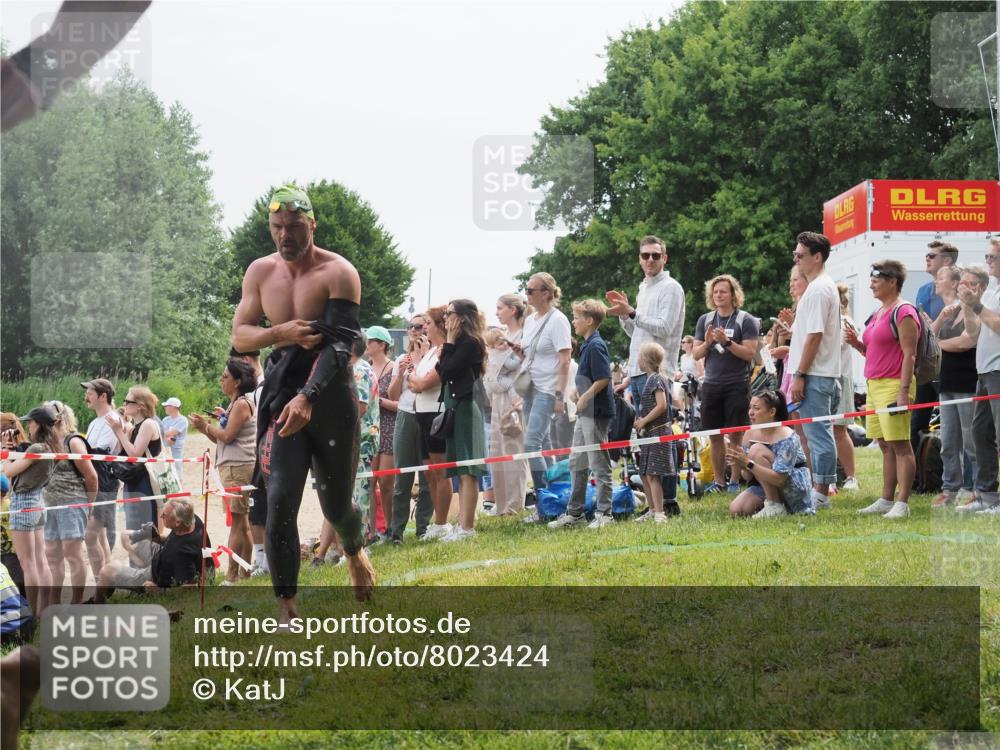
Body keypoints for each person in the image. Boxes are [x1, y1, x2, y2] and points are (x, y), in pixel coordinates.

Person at [231, 184, 374, 620]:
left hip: (330, 398)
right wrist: (282, 333)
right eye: (277, 227)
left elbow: (338, 346)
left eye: (294, 227)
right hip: (282, 396)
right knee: (279, 500)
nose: (285, 236)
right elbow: (241, 337)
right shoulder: (259, 272)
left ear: (312, 225)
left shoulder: (339, 273)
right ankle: (287, 607)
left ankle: (353, 549)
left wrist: (308, 396)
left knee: (336, 505)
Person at [846, 260, 919, 518]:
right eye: (871, 278)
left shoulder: (904, 312)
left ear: (893, 282)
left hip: (894, 385)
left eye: (877, 279)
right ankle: (886, 499)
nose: (871, 284)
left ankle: (903, 503)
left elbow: (909, 355)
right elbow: (877, 353)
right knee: (885, 445)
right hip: (874, 385)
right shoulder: (878, 313)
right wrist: (857, 344)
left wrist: (902, 391)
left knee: (900, 445)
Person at [548, 300, 616, 529]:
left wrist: (586, 396)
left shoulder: (596, 345)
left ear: (589, 321)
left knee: (598, 463)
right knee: (577, 462)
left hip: (595, 413)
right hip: (584, 413)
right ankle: (575, 514)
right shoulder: (587, 345)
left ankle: (605, 514)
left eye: (576, 318)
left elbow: (604, 378)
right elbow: (590, 376)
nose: (573, 322)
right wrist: (579, 391)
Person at [787, 232, 842, 511]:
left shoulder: (820, 289)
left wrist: (800, 374)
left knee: (818, 433)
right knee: (814, 433)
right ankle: (819, 487)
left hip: (815, 373)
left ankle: (821, 491)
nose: (796, 259)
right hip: (815, 372)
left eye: (800, 254)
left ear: (817, 257)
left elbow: (815, 335)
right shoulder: (819, 287)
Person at [189, 358, 257, 584]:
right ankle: (246, 571)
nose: (221, 380)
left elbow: (227, 437)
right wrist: (210, 427)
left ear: (237, 381)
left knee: (237, 522)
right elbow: (221, 440)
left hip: (238, 466)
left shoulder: (240, 404)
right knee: (242, 520)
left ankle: (232, 575)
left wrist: (205, 426)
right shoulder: (235, 404)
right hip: (234, 464)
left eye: (225, 377)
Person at [692, 274, 760, 494]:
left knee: (735, 435)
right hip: (712, 384)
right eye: (715, 291)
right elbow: (696, 353)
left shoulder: (745, 320)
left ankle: (734, 481)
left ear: (733, 295)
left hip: (736, 384)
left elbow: (750, 353)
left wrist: (727, 342)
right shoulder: (705, 320)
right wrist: (709, 342)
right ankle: (719, 481)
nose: (718, 295)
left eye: (723, 291)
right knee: (715, 435)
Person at [606, 235, 686, 409]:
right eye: (645, 255)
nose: (650, 259)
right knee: (645, 433)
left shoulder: (671, 287)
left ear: (664, 258)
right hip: (636, 371)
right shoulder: (643, 288)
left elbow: (664, 328)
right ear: (640, 259)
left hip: (657, 374)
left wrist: (632, 313)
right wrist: (624, 316)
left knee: (657, 432)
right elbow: (637, 333)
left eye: (655, 255)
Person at [516, 272, 572, 518]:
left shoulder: (558, 320)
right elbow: (532, 354)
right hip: (531, 388)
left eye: (531, 290)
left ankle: (542, 501)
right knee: (545, 443)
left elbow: (564, 359)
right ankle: (555, 497)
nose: (526, 294)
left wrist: (559, 396)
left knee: (531, 444)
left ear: (547, 293)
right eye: (526, 290)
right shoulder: (530, 320)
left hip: (548, 389)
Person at [436, 299, 488, 540]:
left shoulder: (470, 343)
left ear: (462, 317)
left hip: (467, 407)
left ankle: (467, 527)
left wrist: (447, 342)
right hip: (455, 407)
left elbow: (446, 371)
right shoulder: (458, 343)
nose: (445, 319)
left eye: (449, 314)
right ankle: (463, 524)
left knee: (469, 469)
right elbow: (441, 369)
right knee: (460, 469)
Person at [94, 498, 213, 603]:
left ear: (177, 522)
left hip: (155, 575)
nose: (161, 517)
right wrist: (157, 538)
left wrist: (158, 590)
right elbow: (176, 541)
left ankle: (96, 604)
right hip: (164, 557)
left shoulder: (180, 553)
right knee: (126, 536)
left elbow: (190, 587)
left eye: (165, 515)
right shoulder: (192, 519)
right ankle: (133, 573)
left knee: (107, 570)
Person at [930, 265, 980, 508]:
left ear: (954, 283)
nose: (936, 281)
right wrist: (940, 320)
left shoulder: (968, 309)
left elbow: (967, 342)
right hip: (946, 382)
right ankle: (950, 488)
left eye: (941, 277)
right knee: (949, 440)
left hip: (967, 381)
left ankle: (974, 488)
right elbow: (929, 339)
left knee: (971, 441)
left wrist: (939, 344)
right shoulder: (945, 311)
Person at [957, 238, 1000, 514]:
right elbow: (974, 333)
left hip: (998, 370)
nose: (988, 261)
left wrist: (977, 306)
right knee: (980, 432)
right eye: (987, 255)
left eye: (992, 256)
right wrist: (966, 304)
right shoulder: (993, 291)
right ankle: (986, 495)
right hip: (985, 370)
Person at [39, 402, 96, 605]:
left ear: (59, 418)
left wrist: (88, 507)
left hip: (72, 504)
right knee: (53, 556)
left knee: (73, 555)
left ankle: (77, 601)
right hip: (49, 505)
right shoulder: (45, 442)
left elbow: (91, 476)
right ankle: (54, 601)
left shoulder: (73, 441)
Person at [407, 306, 455, 539]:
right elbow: (413, 382)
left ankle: (443, 522)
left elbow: (423, 383)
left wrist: (415, 379)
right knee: (429, 474)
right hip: (421, 413)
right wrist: (415, 378)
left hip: (436, 413)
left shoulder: (444, 351)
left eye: (427, 322)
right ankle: (438, 521)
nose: (423, 327)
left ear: (439, 325)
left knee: (440, 471)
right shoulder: (429, 351)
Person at [386, 314, 434, 544]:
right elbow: (393, 396)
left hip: (427, 416)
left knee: (428, 477)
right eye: (412, 327)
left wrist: (421, 359)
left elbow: (428, 387)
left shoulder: (433, 356)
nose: (416, 331)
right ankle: (397, 532)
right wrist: (402, 373)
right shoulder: (400, 359)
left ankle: (423, 528)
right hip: (405, 416)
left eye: (420, 327)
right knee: (402, 477)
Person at [727, 391, 813, 518]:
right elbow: (747, 477)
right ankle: (773, 504)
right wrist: (741, 464)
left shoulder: (787, 436)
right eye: (750, 407)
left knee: (756, 449)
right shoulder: (750, 433)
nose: (750, 412)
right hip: (765, 483)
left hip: (792, 487)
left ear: (772, 412)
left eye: (756, 408)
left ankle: (775, 506)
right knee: (737, 510)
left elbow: (780, 479)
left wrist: (748, 463)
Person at [2, 408, 55, 616]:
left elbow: (7, 473)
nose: (28, 427)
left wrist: (6, 450)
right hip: (38, 500)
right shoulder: (49, 446)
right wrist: (15, 450)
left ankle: (33, 612)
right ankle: (45, 609)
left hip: (23, 502)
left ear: (39, 424)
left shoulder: (36, 446)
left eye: (31, 423)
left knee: (28, 563)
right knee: (41, 560)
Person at [912, 241, 960, 456]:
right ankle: (917, 477)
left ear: (947, 260)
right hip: (926, 366)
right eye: (927, 255)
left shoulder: (960, 289)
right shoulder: (923, 290)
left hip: (951, 367)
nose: (927, 258)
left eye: (932, 255)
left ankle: (952, 476)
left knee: (953, 425)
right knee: (917, 423)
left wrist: (935, 328)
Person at [487, 294, 530, 515]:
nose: (497, 312)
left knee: (513, 450)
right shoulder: (501, 336)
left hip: (514, 399)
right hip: (497, 398)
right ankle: (501, 502)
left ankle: (515, 503)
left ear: (513, 310)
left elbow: (523, 366)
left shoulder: (523, 335)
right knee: (497, 450)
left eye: (500, 307)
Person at [231, 346, 269, 578]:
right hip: (256, 455)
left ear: (246, 360)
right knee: (255, 513)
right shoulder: (256, 389)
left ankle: (266, 563)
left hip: (264, 455)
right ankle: (261, 561)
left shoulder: (265, 386)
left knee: (264, 511)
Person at [632, 342, 680, 522]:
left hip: (658, 433)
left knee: (652, 474)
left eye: (639, 356)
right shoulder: (652, 379)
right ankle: (652, 509)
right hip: (649, 433)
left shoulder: (655, 379)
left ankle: (659, 513)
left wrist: (644, 420)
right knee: (645, 472)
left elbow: (662, 406)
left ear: (645, 360)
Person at [79, 378, 121, 578]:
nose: (86, 396)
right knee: (100, 535)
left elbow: (100, 453)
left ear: (103, 396)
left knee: (93, 535)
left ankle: (102, 581)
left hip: (104, 480)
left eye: (90, 393)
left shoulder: (113, 419)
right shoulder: (94, 422)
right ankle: (105, 581)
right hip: (94, 479)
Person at [107, 385, 164, 534]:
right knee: (133, 530)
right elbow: (124, 454)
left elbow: (134, 455)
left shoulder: (148, 424)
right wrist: (122, 432)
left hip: (145, 483)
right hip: (135, 481)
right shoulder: (134, 426)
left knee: (144, 530)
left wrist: (118, 431)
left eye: (127, 401)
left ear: (140, 406)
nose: (124, 404)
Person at [366, 325, 397, 533]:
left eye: (370, 341)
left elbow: (400, 404)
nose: (366, 345)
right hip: (369, 430)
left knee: (386, 482)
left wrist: (378, 401)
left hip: (388, 427)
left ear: (382, 344)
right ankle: (372, 530)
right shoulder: (364, 367)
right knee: (369, 482)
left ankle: (390, 527)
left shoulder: (394, 368)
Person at [833, 284, 861, 492]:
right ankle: (835, 475)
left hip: (840, 379)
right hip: (828, 379)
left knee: (839, 430)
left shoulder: (844, 322)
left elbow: (838, 346)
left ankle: (851, 477)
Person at [161, 397, 188, 484]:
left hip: (176, 450)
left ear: (173, 407)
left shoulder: (182, 420)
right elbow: (163, 433)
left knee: (177, 472)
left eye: (167, 406)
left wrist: (163, 434)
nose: (165, 407)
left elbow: (170, 433)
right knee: (165, 472)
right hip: (164, 449)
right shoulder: (165, 419)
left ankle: (181, 494)